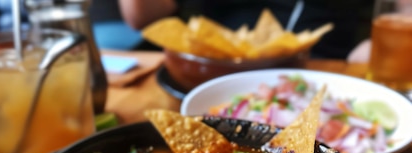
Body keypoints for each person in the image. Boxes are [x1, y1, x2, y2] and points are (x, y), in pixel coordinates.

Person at [117, 0, 374, 59]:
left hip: (330, 65)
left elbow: (401, 13)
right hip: (214, 67)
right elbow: (140, 17)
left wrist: (377, 47)